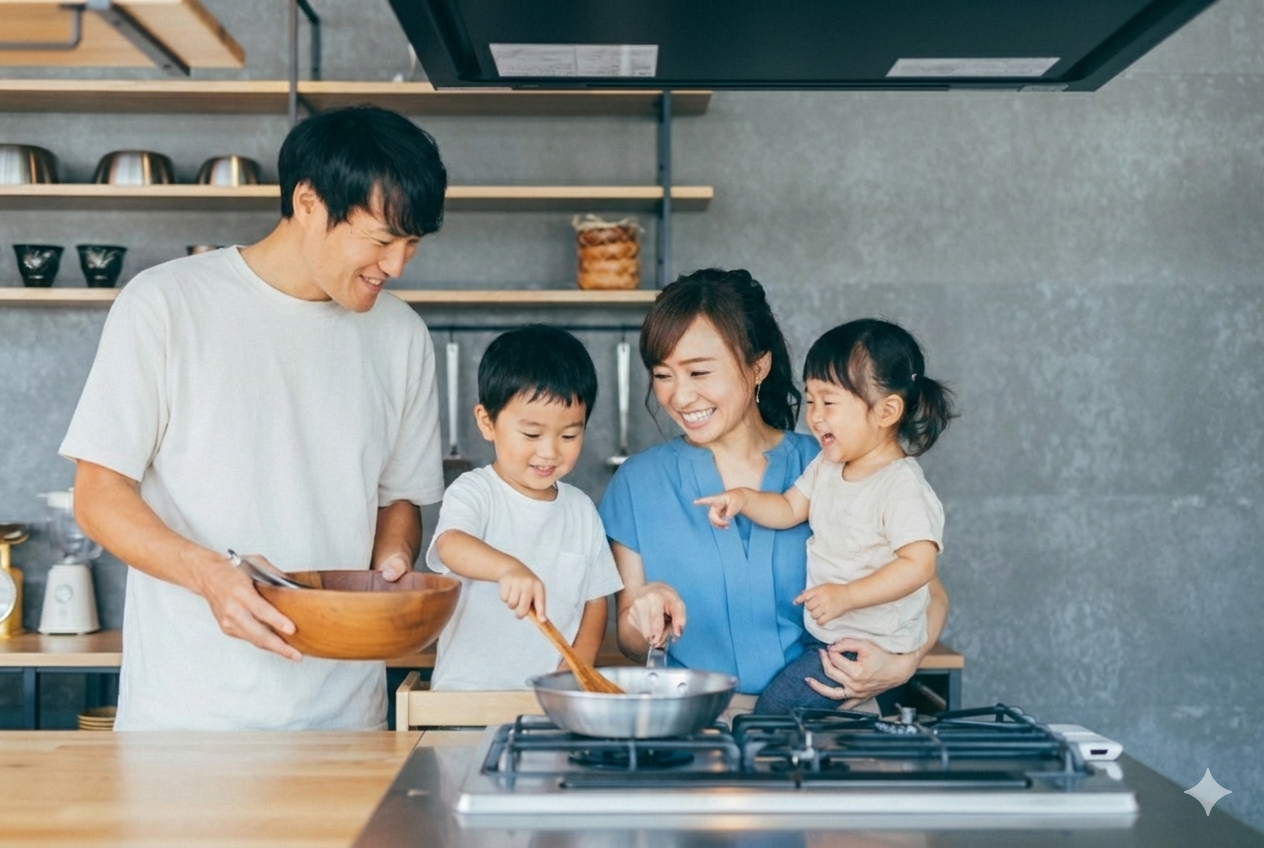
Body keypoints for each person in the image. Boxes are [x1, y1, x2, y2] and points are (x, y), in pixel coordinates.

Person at [59, 106, 449, 730]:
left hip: (346, 722)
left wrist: (393, 564)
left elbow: (399, 499)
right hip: (188, 723)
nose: (397, 265)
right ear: (308, 202)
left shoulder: (401, 335)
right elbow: (98, 495)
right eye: (380, 239)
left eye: (412, 243)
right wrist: (211, 575)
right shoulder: (166, 304)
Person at [598, 269, 950, 716]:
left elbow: (929, 591)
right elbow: (630, 640)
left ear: (757, 365)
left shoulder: (830, 464)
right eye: (663, 374)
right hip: (696, 724)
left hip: (832, 712)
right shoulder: (637, 482)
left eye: (699, 371)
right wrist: (646, 613)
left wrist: (901, 665)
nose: (680, 396)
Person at [697, 319, 955, 714]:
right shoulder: (828, 466)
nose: (814, 416)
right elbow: (788, 508)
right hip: (829, 636)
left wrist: (848, 596)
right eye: (811, 400)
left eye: (828, 402)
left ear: (886, 411)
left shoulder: (901, 487)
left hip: (867, 644)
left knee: (776, 712)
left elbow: (919, 566)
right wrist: (744, 499)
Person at [425, 325, 623, 690]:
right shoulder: (476, 491)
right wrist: (507, 568)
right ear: (488, 423)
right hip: (465, 698)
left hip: (549, 705)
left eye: (569, 435)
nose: (549, 451)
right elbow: (450, 546)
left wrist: (575, 668)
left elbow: (596, 602)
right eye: (531, 434)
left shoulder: (581, 510)